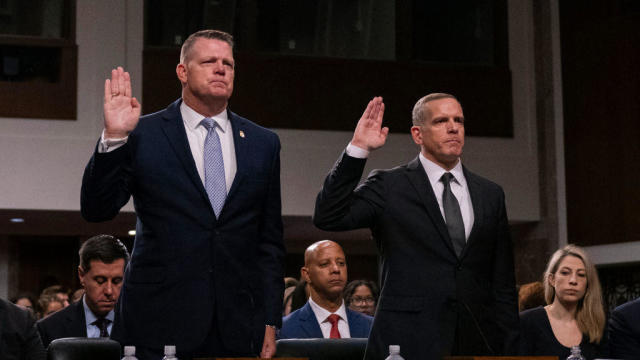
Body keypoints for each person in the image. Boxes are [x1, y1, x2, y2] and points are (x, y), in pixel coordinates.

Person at [80, 29, 285, 359]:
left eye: (228, 64)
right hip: (156, 324)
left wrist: (270, 320)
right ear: (182, 71)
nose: (221, 69)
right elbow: (96, 208)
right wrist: (115, 137)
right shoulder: (143, 134)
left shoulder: (263, 144)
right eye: (208, 61)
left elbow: (269, 242)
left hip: (237, 327)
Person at [314, 94, 519, 359]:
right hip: (407, 342)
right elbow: (328, 215)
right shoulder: (390, 186)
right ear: (417, 134)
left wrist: (513, 348)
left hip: (477, 343)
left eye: (459, 120)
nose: (453, 127)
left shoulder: (490, 194)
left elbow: (502, 283)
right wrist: (358, 149)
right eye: (441, 121)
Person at [37, 234, 130, 348]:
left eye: (117, 281)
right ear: (81, 275)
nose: (109, 291)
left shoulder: (139, 325)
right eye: (100, 281)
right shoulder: (50, 328)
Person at [519, 245, 608, 359]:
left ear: (588, 284)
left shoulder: (597, 324)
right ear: (552, 279)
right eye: (565, 273)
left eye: (581, 275)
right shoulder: (527, 321)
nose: (573, 280)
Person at [279, 240, 373, 339]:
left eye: (341, 263)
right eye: (324, 264)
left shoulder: (372, 326)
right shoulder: (285, 329)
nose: (336, 269)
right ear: (307, 274)